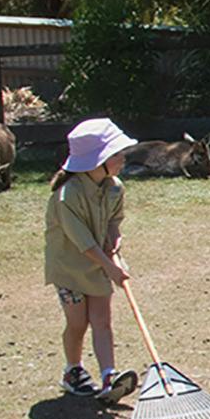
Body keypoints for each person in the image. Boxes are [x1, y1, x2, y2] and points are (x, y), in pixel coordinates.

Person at [45, 118, 140, 402]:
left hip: (99, 264)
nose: (123, 159)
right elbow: (83, 242)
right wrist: (111, 268)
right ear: (97, 161)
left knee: (102, 321)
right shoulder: (66, 196)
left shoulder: (114, 187)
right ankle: (72, 371)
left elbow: (113, 221)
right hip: (70, 269)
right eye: (116, 155)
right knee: (78, 323)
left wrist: (115, 241)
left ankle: (109, 376)